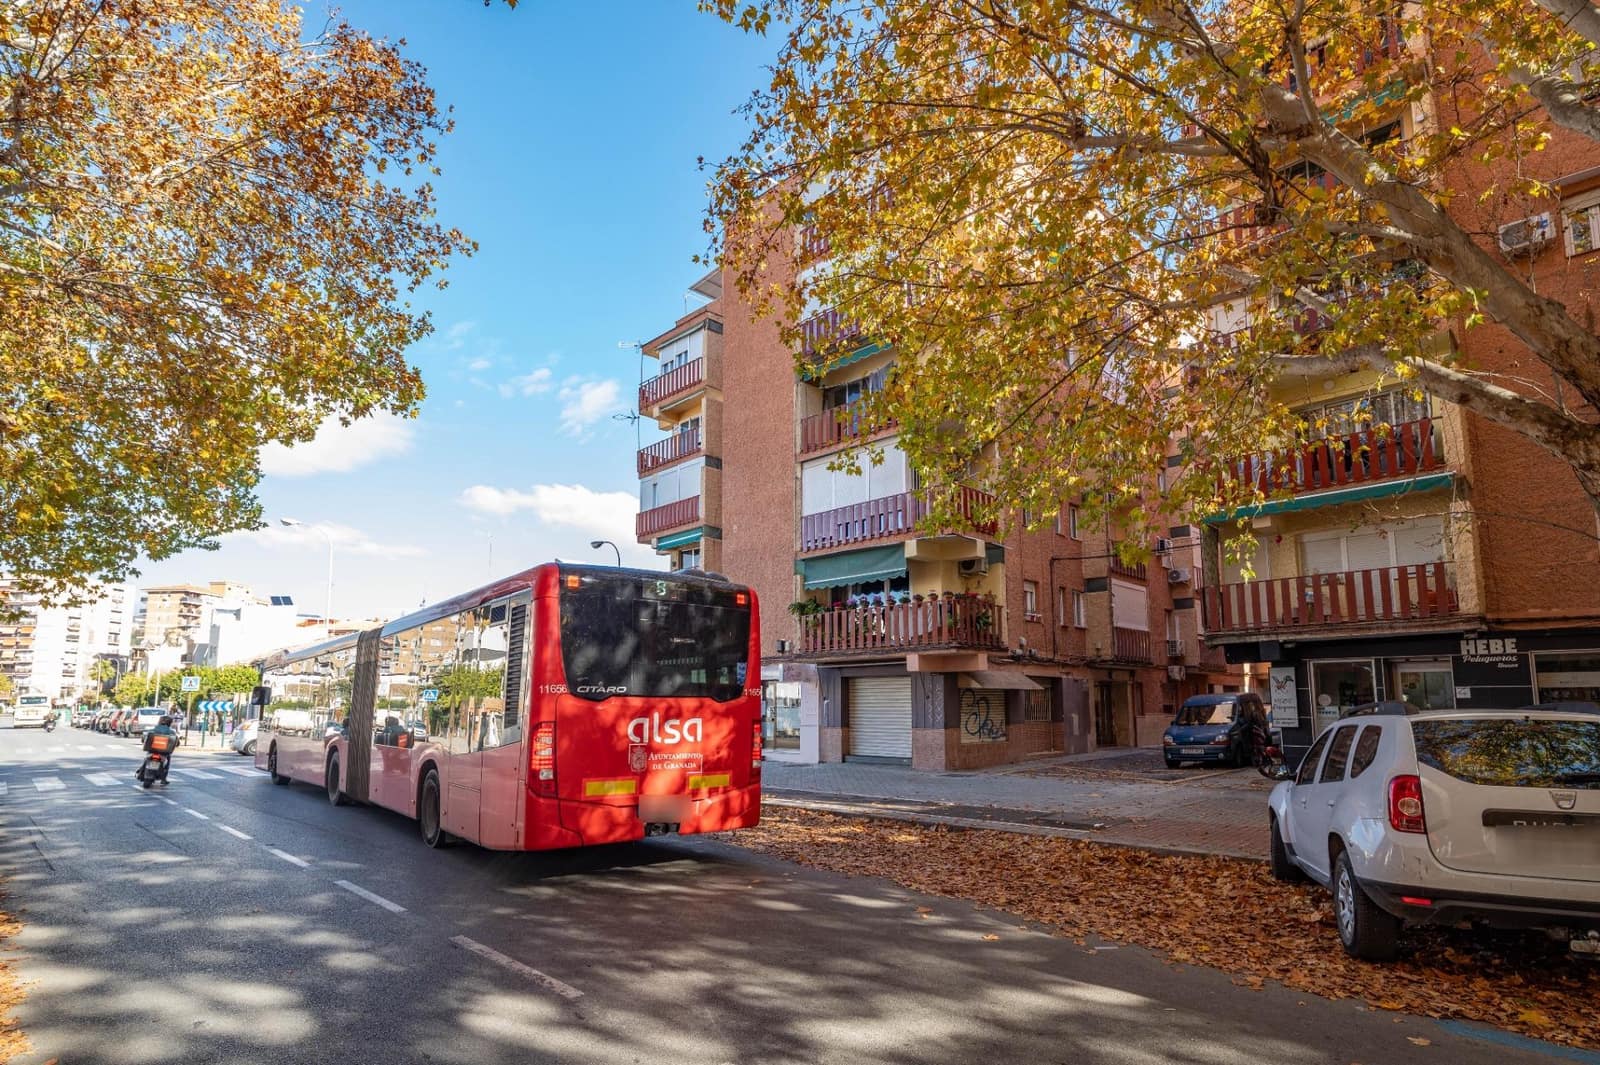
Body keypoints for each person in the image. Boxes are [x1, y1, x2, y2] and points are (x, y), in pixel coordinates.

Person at [141, 714, 180, 786]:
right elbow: (176, 742)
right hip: (164, 753)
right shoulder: (171, 732)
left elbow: (144, 738)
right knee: (167, 760)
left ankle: (141, 773)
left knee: (146, 760)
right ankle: (163, 779)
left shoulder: (153, 730)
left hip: (152, 751)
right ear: (169, 723)